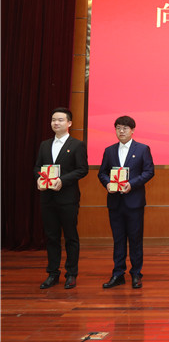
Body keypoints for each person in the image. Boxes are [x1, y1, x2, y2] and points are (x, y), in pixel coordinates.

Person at [33, 107, 89, 289]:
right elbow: (37, 167)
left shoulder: (77, 145)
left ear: (69, 123)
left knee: (71, 237)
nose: (56, 123)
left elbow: (82, 169)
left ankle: (71, 273)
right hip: (47, 198)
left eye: (60, 120)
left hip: (67, 199)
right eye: (53, 120)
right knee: (51, 237)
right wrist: (39, 178)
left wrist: (62, 181)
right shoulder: (44, 144)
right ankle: (52, 273)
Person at [98, 116, 155, 289]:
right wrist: (108, 183)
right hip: (115, 202)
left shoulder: (143, 149)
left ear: (132, 130)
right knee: (118, 239)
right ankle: (118, 274)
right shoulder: (109, 150)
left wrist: (132, 184)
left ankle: (136, 273)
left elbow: (149, 171)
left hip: (134, 202)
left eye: (125, 128)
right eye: (118, 128)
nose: (121, 131)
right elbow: (102, 173)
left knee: (135, 239)